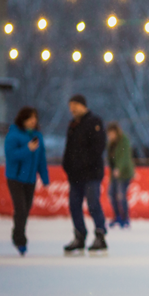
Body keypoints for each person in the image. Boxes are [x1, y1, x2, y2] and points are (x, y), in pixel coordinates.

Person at [62, 94, 108, 254]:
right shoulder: (73, 125)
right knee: (74, 205)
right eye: (70, 107)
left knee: (93, 203)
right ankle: (79, 235)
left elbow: (98, 147)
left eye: (74, 106)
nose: (72, 110)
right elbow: (68, 148)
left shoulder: (94, 122)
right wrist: (66, 165)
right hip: (75, 175)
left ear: (82, 105)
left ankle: (100, 234)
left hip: (91, 173)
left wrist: (84, 163)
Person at [4, 107, 49, 256]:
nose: (33, 121)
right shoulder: (13, 135)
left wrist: (45, 179)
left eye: (35, 118)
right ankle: (20, 238)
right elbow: (11, 156)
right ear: (23, 120)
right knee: (21, 208)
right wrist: (27, 149)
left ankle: (18, 232)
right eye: (30, 118)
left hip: (30, 179)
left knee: (26, 209)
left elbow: (41, 159)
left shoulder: (38, 136)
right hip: (15, 178)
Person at [106, 122, 135, 229]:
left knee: (121, 195)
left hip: (124, 173)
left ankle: (125, 218)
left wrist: (119, 168)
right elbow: (110, 158)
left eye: (112, 133)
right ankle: (117, 216)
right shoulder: (111, 143)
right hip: (114, 173)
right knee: (111, 194)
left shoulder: (123, 141)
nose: (110, 136)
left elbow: (125, 157)